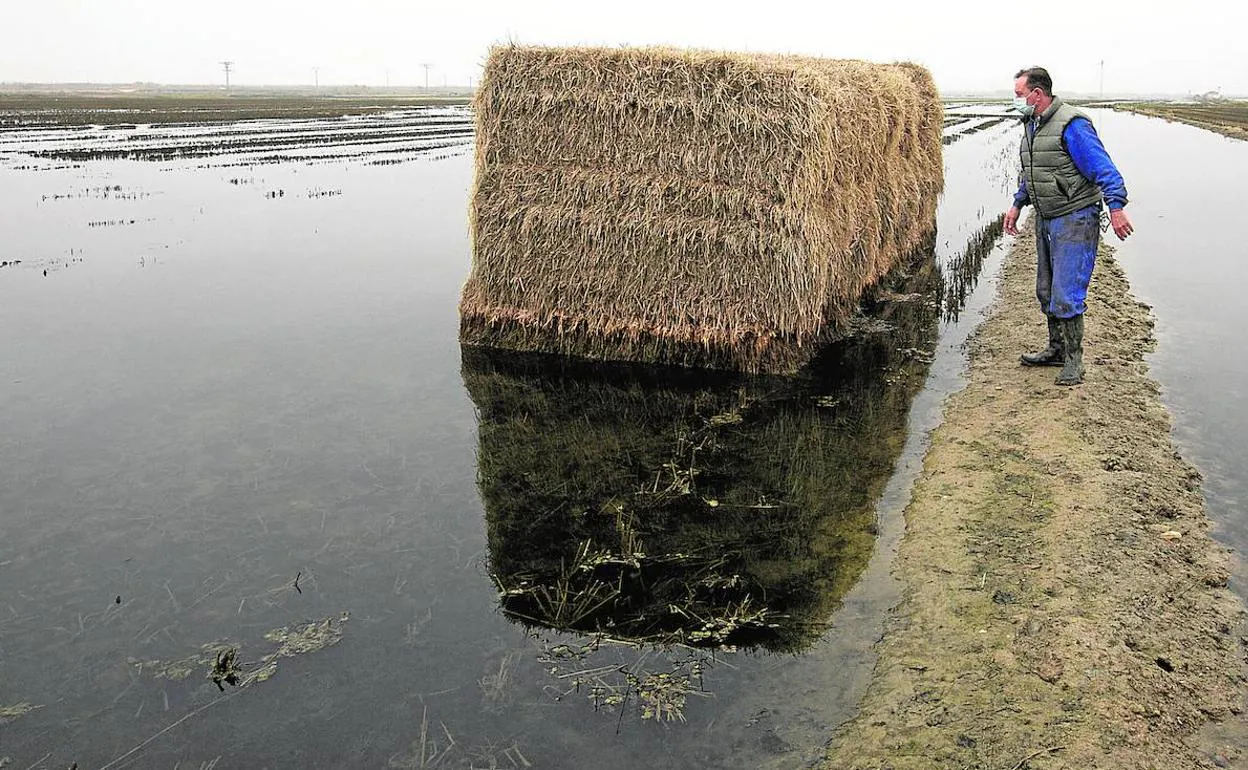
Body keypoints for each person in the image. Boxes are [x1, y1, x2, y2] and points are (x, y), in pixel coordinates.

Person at [1003, 66, 1134, 386]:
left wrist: (1116, 207)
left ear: (1037, 93)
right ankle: (1056, 349)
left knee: (1067, 291)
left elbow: (1104, 169)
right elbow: (1035, 171)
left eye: (1019, 94)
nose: (1015, 100)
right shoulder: (1032, 125)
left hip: (1074, 218)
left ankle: (1075, 362)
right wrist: (1018, 203)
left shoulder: (1072, 125)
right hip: (1047, 217)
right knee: (1045, 289)